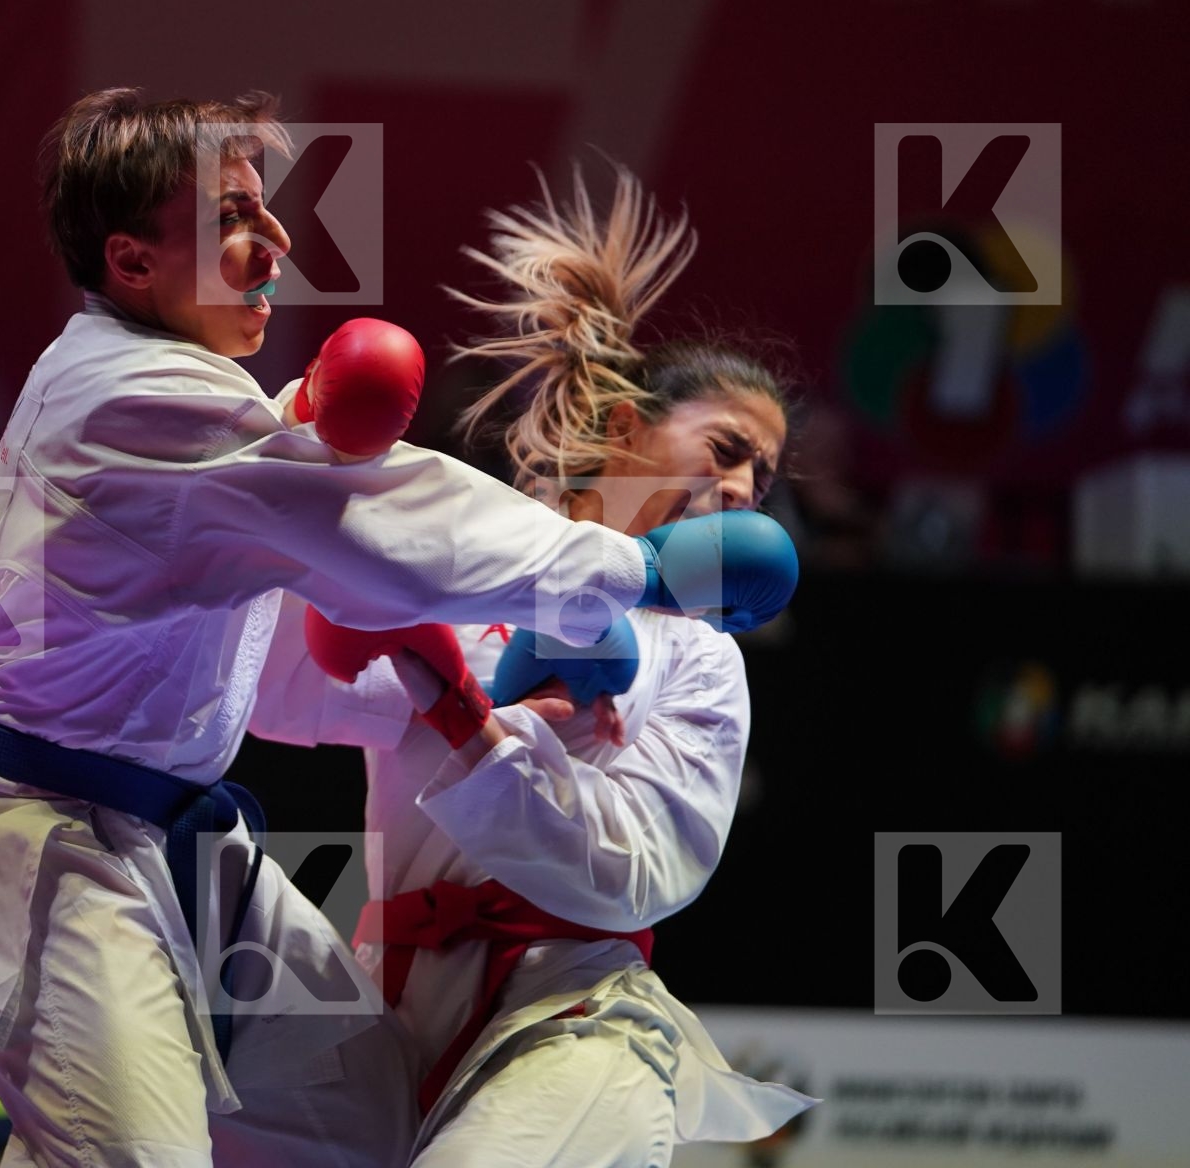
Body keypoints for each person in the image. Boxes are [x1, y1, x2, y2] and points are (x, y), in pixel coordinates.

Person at [0, 90, 768, 1168]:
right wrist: (634, 573)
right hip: (59, 848)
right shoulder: (143, 402)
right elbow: (366, 543)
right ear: (134, 262)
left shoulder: (195, 409)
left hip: (201, 854)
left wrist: (450, 684)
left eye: (268, 209)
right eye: (234, 219)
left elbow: (633, 868)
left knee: (358, 1123)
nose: (279, 240)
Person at [253, 164, 818, 1165]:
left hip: (575, 1017)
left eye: (762, 477)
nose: (743, 485)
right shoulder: (481, 567)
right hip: (379, 1011)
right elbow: (288, 696)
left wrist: (470, 723)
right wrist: (300, 457)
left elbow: (640, 874)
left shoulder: (701, 659)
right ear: (625, 429)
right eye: (726, 448)